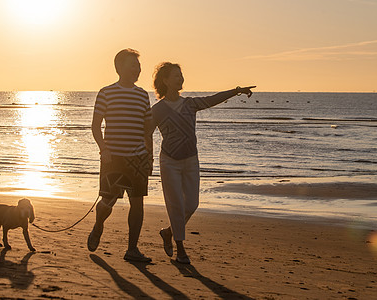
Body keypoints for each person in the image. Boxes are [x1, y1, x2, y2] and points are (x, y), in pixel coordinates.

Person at [151, 62, 255, 264]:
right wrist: (146, 157)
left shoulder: (190, 103)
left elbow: (213, 99)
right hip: (169, 161)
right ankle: (180, 249)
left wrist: (236, 91)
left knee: (191, 203)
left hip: (191, 159)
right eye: (176, 76)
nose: (180, 79)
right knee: (176, 205)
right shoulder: (158, 109)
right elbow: (146, 133)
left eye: (181, 75)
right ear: (165, 80)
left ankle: (169, 232)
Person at [88, 49, 153, 262]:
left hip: (138, 159)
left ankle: (132, 249)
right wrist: (103, 149)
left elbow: (147, 130)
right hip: (113, 157)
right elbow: (96, 125)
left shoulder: (143, 95)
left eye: (138, 66)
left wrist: (149, 156)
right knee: (109, 200)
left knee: (137, 203)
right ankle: (98, 225)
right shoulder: (106, 92)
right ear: (119, 68)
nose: (137, 69)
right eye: (132, 65)